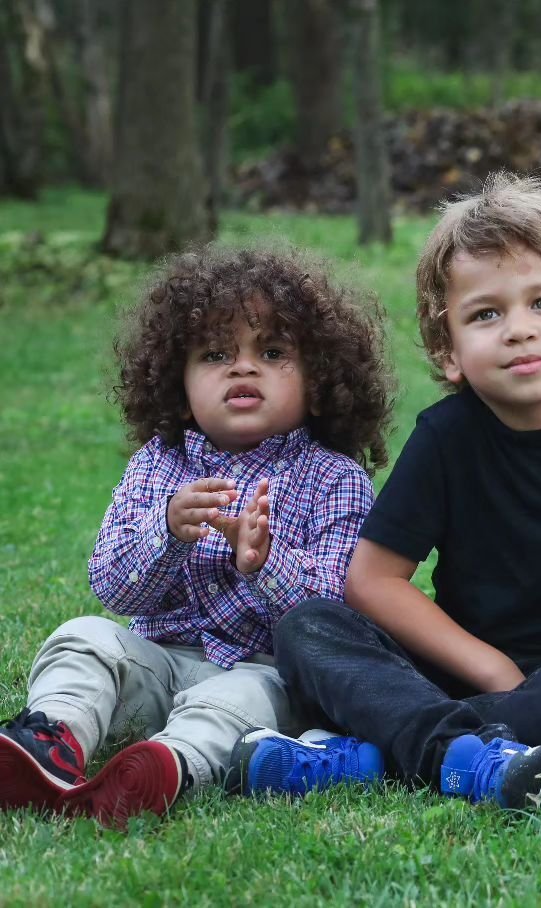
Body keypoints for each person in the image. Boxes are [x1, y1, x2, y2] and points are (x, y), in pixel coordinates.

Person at [271, 173, 541, 812]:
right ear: (450, 352)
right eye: (486, 314)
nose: (518, 330)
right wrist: (494, 671)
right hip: (467, 664)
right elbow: (373, 581)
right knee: (307, 626)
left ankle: (405, 751)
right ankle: (470, 750)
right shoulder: (447, 438)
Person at [0, 248, 393, 827]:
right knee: (83, 637)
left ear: (318, 383)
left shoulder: (336, 480)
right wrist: (167, 532)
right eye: (215, 354)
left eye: (274, 352)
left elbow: (337, 618)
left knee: (240, 702)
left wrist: (264, 564)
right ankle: (52, 742)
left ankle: (166, 764)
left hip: (264, 673)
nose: (243, 368)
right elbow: (112, 586)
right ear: (180, 391)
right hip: (159, 663)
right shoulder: (159, 466)